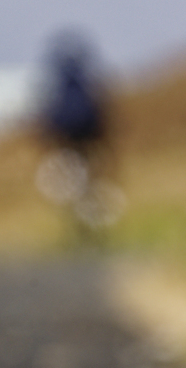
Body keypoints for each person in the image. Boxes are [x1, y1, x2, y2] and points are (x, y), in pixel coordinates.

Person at [35, 31, 123, 235]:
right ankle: (93, 220)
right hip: (88, 136)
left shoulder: (57, 83)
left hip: (64, 138)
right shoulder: (87, 80)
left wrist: (45, 141)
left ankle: (74, 221)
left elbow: (46, 115)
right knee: (91, 177)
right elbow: (102, 110)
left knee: (68, 181)